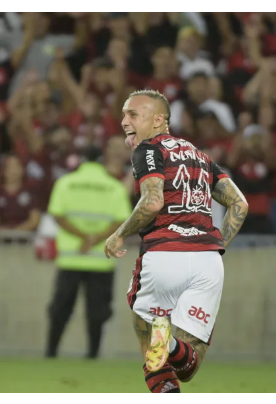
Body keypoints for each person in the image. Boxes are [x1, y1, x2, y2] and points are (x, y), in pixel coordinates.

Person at [104, 89, 249, 393]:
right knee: (188, 366)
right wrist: (216, 246)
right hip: (208, 262)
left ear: (158, 120)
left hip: (164, 255)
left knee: (147, 339)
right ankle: (169, 343)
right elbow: (240, 205)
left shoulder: (147, 150)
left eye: (132, 114)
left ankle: (162, 339)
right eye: (123, 114)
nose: (123, 121)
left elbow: (153, 201)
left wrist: (119, 234)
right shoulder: (200, 155)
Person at [45, 146, 132, 359]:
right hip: (101, 261)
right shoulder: (114, 187)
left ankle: (51, 351)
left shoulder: (65, 184)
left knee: (60, 309)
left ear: (81, 160)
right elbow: (122, 220)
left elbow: (57, 215)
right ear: (101, 160)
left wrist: (83, 237)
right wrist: (95, 238)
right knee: (97, 312)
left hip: (70, 259)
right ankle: (93, 353)